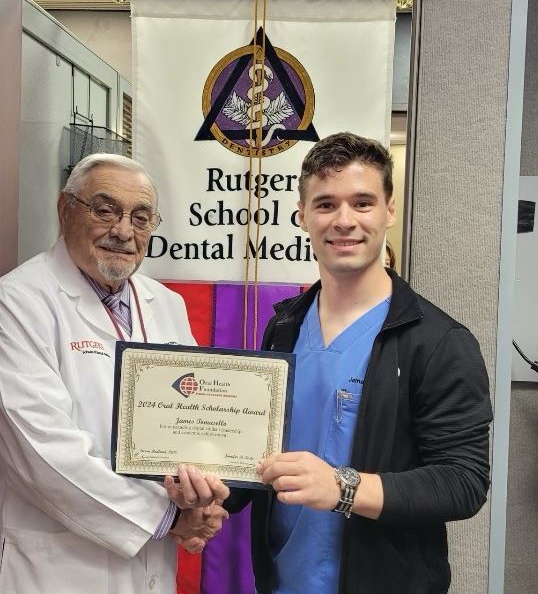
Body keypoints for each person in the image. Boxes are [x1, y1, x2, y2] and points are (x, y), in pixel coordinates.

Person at [216, 133, 493, 593]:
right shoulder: (284, 328)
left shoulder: (439, 343)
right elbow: (260, 455)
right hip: (283, 580)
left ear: (389, 211)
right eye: (326, 204)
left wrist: (343, 488)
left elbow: (463, 482)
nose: (344, 221)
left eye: (362, 203)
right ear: (302, 216)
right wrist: (213, 494)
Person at [0, 153, 229, 594]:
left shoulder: (166, 304)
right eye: (105, 210)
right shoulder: (17, 302)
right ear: (65, 209)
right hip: (59, 570)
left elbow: (190, 423)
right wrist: (168, 517)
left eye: (140, 218)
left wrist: (199, 496)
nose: (124, 231)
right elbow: (42, 454)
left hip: (150, 567)